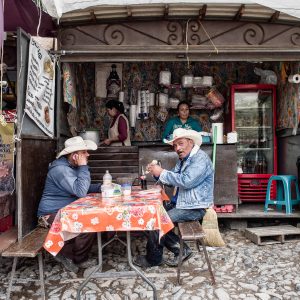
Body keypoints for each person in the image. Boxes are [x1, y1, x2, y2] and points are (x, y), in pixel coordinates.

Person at [133, 128, 214, 267]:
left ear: (190, 142)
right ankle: (180, 249)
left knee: (158, 221)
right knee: (150, 216)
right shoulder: (184, 159)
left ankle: (154, 259)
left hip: (195, 207)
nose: (177, 148)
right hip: (182, 203)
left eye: (180, 144)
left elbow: (186, 181)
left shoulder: (200, 158)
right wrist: (157, 173)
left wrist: (162, 172)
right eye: (175, 145)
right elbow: (172, 181)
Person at [37, 136, 101, 273]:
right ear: (74, 155)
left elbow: (81, 187)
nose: (88, 155)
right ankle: (69, 256)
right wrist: (83, 166)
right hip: (49, 215)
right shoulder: (60, 170)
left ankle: (74, 256)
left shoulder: (70, 166)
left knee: (92, 219)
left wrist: (102, 187)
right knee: (88, 222)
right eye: (84, 152)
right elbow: (81, 191)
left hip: (65, 211)